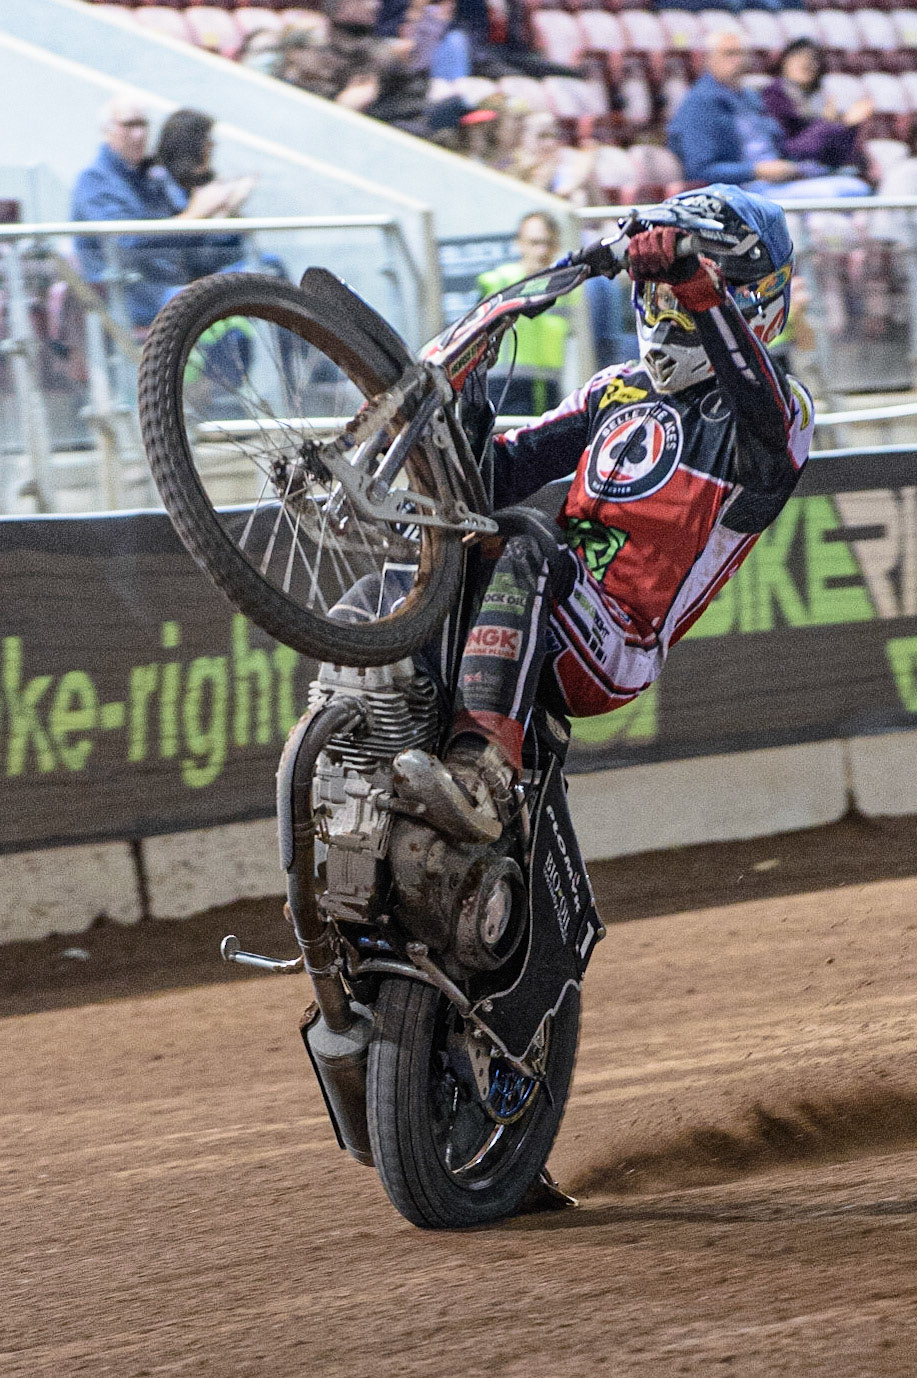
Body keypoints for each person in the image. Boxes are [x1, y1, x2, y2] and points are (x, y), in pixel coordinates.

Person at [392, 185, 815, 844]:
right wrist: (464, 403)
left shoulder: (777, 413)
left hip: (616, 643)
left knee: (526, 534)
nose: (668, 307)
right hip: (540, 596)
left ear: (746, 300)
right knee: (397, 578)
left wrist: (696, 287)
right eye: (661, 294)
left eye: (686, 292)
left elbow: (762, 416)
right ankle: (344, 741)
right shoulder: (613, 389)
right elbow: (498, 472)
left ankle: (482, 773)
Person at [71, 96, 249, 329]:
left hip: (172, 283)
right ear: (107, 131)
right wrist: (195, 214)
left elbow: (192, 247)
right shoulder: (95, 181)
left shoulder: (152, 178)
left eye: (143, 125)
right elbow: (127, 244)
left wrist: (226, 216)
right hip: (133, 296)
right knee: (210, 307)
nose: (139, 134)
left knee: (264, 270)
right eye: (129, 125)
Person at [667, 31, 869, 201]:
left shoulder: (751, 98)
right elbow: (700, 170)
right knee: (837, 193)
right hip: (741, 191)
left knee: (854, 186)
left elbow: (784, 147)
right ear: (708, 59)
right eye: (729, 54)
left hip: (779, 181)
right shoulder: (700, 103)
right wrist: (757, 171)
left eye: (742, 53)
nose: (738, 60)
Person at [477, 211, 569, 416]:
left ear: (557, 247)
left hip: (548, 386)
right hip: (503, 384)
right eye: (534, 243)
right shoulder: (498, 282)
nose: (541, 250)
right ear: (520, 243)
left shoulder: (567, 288)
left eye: (548, 243)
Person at [762, 38, 872, 177]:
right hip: (785, 171)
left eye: (813, 59)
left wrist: (849, 128)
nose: (805, 64)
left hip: (818, 171)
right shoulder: (773, 97)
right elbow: (790, 152)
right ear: (784, 62)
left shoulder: (821, 98)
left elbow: (836, 156)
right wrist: (836, 124)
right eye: (798, 57)